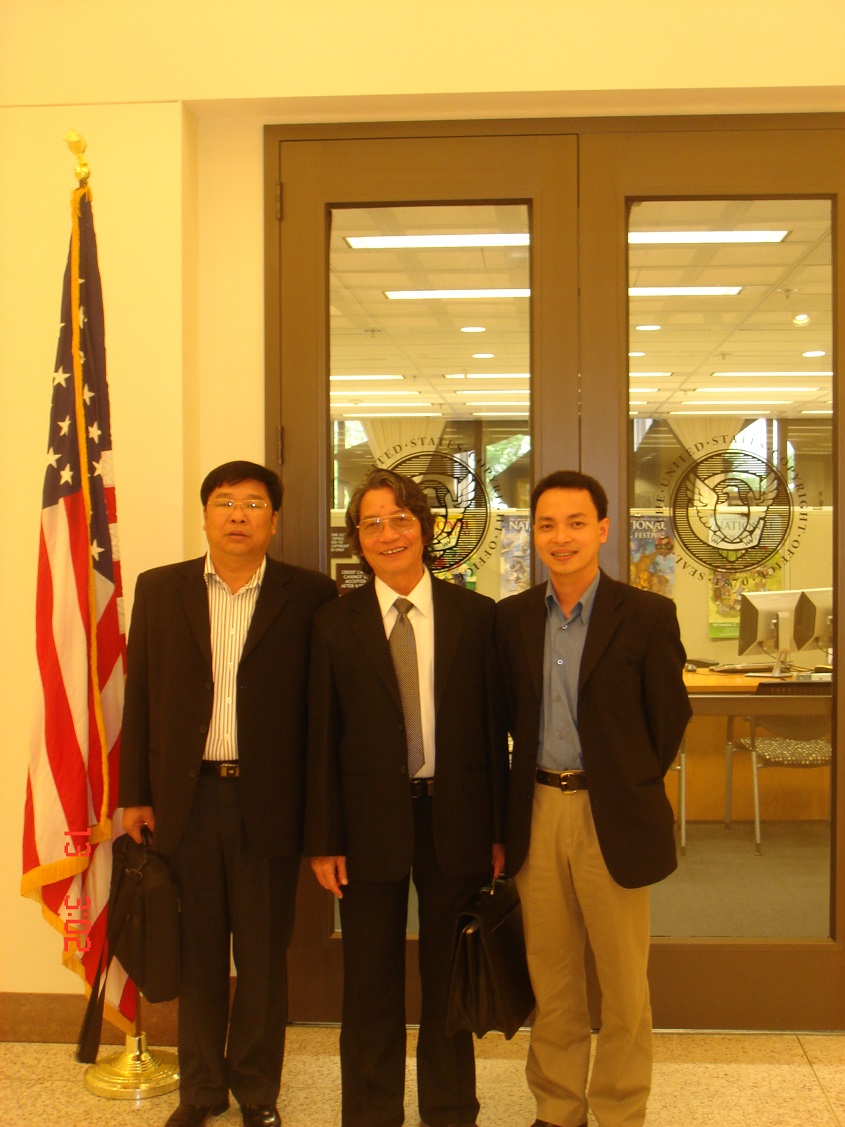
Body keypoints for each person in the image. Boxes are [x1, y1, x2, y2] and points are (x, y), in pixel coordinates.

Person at [119, 460, 336, 1127]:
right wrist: (135, 793)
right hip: (186, 802)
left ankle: (257, 1091)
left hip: (270, 805)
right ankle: (201, 1090)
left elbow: (322, 714)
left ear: (274, 519)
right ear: (206, 514)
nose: (238, 514)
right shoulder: (161, 588)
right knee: (199, 954)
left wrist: (320, 816)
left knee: (264, 959)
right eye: (224, 502)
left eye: (253, 503)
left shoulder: (311, 594)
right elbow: (141, 694)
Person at [305, 467, 508, 1127]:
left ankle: (449, 1108)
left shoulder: (476, 616)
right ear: (357, 539)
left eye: (399, 518)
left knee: (450, 976)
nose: (387, 533)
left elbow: (492, 733)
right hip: (366, 827)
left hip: (457, 819)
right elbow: (321, 739)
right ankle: (370, 1111)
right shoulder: (332, 624)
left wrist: (499, 829)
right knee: (369, 980)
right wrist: (324, 838)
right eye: (372, 523)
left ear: (423, 528)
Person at [496, 470, 691, 1127]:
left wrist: (625, 782)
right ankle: (558, 1106)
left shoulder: (646, 616)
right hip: (536, 811)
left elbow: (667, 719)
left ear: (602, 530)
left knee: (624, 983)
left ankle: (619, 1107)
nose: (562, 536)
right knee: (551, 979)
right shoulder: (512, 619)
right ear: (534, 534)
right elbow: (501, 717)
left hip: (611, 815)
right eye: (547, 524)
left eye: (576, 522)